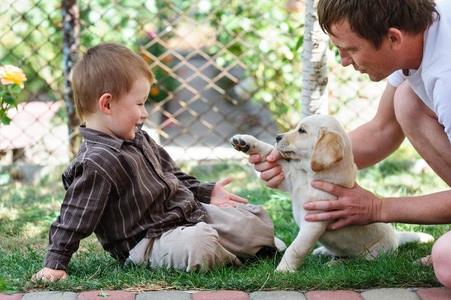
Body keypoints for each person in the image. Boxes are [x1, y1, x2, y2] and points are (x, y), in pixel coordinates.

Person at [31, 42, 285, 282]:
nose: (144, 113)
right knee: (200, 245)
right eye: (140, 104)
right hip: (148, 242)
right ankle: (233, 253)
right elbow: (74, 216)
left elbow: (173, 174)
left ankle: (247, 244)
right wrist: (55, 263)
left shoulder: (139, 138)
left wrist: (207, 192)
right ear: (107, 104)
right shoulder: (96, 162)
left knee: (251, 222)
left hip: (187, 214)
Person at [249, 0, 451, 289]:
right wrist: (299, 161)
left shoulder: (447, 78)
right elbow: (382, 130)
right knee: (406, 101)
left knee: (446, 260)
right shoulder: (418, 36)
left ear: (393, 38)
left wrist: (378, 209)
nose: (344, 60)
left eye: (351, 49)